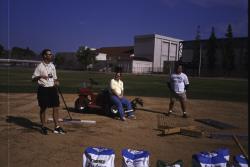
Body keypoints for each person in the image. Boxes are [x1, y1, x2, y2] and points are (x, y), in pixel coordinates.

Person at [32, 49, 66, 135]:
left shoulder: (52, 66)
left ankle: (57, 127)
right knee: (43, 108)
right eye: (49, 54)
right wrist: (40, 76)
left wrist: (56, 81)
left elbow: (54, 77)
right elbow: (33, 79)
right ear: (44, 56)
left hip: (52, 89)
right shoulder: (39, 66)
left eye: (51, 54)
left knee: (56, 107)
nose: (51, 55)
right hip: (43, 89)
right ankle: (43, 126)